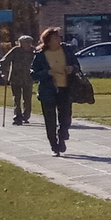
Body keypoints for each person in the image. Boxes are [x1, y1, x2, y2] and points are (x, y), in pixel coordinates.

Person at [31, 28, 82, 156]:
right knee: (50, 120)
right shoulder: (40, 55)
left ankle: (62, 135)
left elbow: (77, 66)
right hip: (48, 91)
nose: (59, 39)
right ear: (47, 41)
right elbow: (33, 74)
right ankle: (54, 146)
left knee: (66, 117)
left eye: (59, 37)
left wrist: (72, 68)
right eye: (55, 38)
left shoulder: (67, 50)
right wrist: (47, 73)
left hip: (65, 88)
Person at [0, 34, 34, 125]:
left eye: (28, 42)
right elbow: (3, 62)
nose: (26, 44)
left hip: (29, 78)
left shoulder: (34, 51)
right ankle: (17, 117)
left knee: (27, 98)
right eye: (24, 43)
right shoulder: (15, 51)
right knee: (16, 98)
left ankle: (26, 116)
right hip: (15, 78)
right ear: (20, 43)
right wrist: (3, 73)